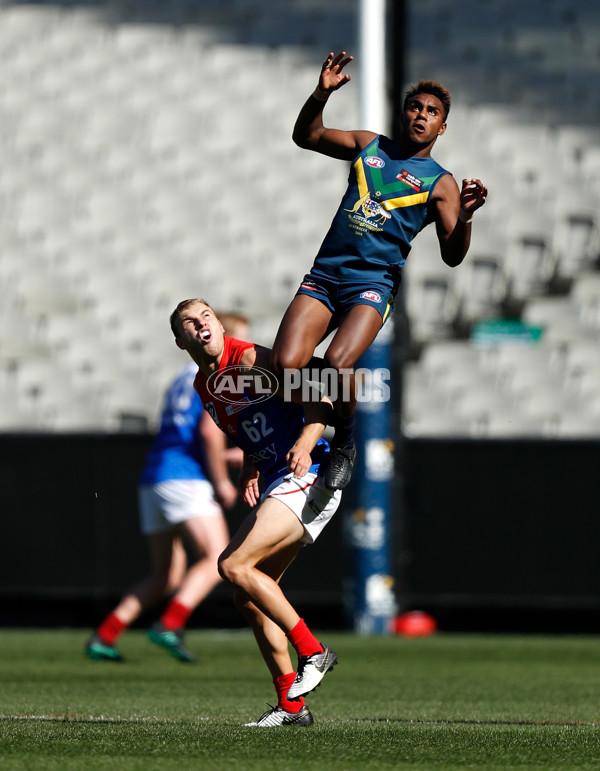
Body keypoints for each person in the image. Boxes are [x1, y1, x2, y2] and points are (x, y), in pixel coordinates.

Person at [269, 51, 488, 490]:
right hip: (325, 275)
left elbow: (453, 256)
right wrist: (319, 95)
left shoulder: (441, 182)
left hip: (372, 285)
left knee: (336, 362)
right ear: (403, 113)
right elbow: (306, 136)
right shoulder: (370, 146)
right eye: (415, 107)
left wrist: (464, 218)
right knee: (284, 367)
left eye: (432, 112)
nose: (421, 115)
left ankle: (345, 439)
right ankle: (325, 408)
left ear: (442, 127)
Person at [170, 297, 342, 727]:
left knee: (231, 564)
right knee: (248, 595)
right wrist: (251, 465)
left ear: (218, 324)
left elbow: (318, 402)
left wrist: (303, 444)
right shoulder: (203, 385)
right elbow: (247, 426)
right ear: (180, 340)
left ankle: (314, 651)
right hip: (277, 479)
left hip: (309, 471)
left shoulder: (249, 360)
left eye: (205, 316)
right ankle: (291, 707)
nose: (200, 325)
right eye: (189, 323)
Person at [85, 313, 248, 664]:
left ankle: (105, 635)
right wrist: (221, 478)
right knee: (218, 557)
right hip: (185, 476)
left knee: (167, 575)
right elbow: (208, 432)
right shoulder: (216, 374)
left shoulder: (181, 376)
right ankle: (170, 624)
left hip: (155, 476)